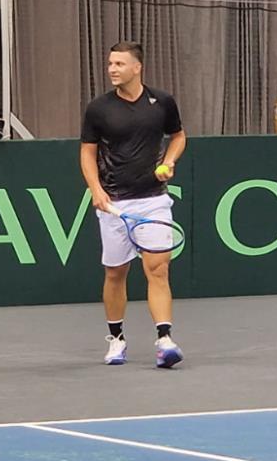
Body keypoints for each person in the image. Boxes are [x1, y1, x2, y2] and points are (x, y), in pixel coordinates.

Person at [80, 41, 186, 368]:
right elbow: (87, 152)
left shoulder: (162, 102)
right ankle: (116, 339)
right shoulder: (99, 109)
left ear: (137, 67)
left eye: (119, 64)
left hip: (154, 200)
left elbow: (178, 136)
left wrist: (169, 161)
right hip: (115, 203)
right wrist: (96, 190)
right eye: (110, 63)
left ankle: (165, 340)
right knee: (115, 273)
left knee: (158, 269)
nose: (112, 69)